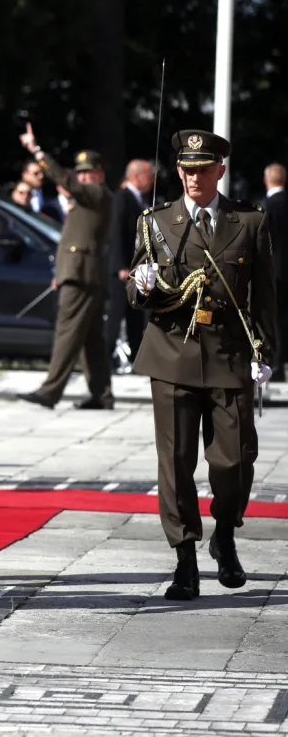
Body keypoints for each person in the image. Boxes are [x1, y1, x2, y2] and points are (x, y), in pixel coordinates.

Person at [127, 129, 275, 600]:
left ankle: (224, 533)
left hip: (229, 354)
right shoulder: (156, 222)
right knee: (175, 462)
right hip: (172, 353)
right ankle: (185, 558)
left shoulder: (248, 221)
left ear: (220, 171)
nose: (194, 178)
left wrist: (267, 353)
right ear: (178, 171)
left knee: (236, 459)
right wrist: (142, 285)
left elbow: (265, 296)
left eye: (203, 170)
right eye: (187, 170)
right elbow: (137, 291)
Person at [16, 123, 114, 410]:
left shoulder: (97, 193)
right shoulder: (89, 198)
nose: (82, 177)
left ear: (100, 174)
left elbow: (65, 180)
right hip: (81, 273)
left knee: (67, 333)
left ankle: (50, 391)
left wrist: (36, 150)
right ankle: (101, 394)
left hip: (82, 276)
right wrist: (61, 272)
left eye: (88, 172)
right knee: (92, 339)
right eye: (80, 172)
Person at [107, 159, 155, 367]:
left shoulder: (139, 199)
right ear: (137, 176)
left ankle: (137, 355)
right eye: (149, 176)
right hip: (124, 268)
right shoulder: (123, 197)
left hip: (137, 267)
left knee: (136, 313)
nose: (152, 181)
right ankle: (106, 355)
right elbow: (116, 233)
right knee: (117, 313)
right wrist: (121, 266)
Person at [262, 163, 288, 380]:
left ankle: (276, 364)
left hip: (274, 271)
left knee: (275, 317)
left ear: (266, 180)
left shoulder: (266, 207)